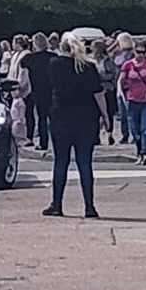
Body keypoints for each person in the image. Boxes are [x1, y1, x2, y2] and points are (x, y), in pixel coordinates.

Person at [43, 37, 104, 219]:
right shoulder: (89, 67)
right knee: (84, 162)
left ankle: (57, 204)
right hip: (86, 118)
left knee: (61, 161)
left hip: (61, 117)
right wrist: (106, 117)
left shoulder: (54, 65)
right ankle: (89, 206)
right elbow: (98, 94)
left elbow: (48, 89)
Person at [118, 38, 146, 164]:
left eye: (143, 52)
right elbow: (121, 81)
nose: (140, 54)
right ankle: (139, 152)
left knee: (145, 128)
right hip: (132, 100)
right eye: (138, 51)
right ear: (134, 51)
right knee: (135, 130)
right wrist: (122, 95)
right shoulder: (128, 65)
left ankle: (145, 153)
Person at [22, 33, 55, 151]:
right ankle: (56, 141)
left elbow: (23, 72)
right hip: (52, 90)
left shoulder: (29, 58)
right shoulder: (53, 56)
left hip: (36, 90)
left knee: (41, 118)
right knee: (53, 118)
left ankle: (43, 142)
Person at [91, 38, 119, 145]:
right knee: (95, 114)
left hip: (107, 89)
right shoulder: (91, 60)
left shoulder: (108, 61)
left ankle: (109, 134)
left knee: (108, 113)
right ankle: (95, 136)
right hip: (95, 90)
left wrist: (100, 77)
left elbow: (113, 74)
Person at [110, 32, 136, 145]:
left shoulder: (130, 54)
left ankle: (132, 135)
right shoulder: (117, 54)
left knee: (129, 113)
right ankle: (125, 135)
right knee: (123, 114)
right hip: (119, 85)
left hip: (128, 86)